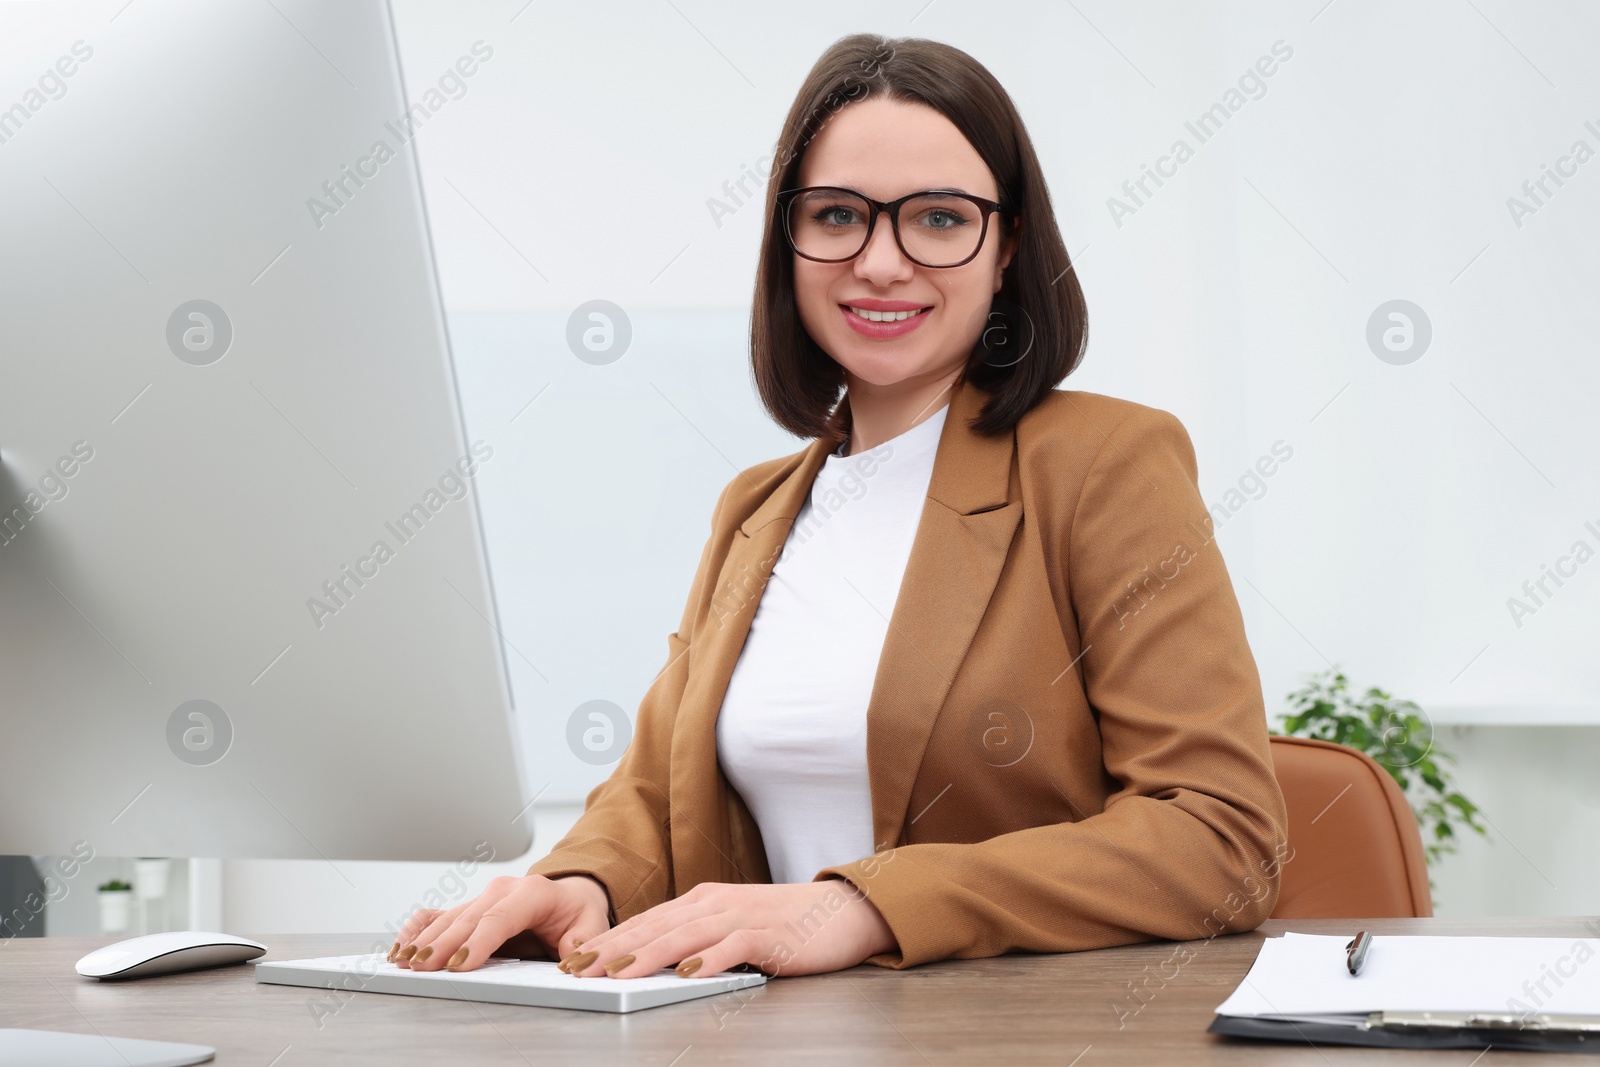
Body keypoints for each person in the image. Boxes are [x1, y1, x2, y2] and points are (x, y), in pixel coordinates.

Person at [391, 33, 1288, 981]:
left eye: (939, 219)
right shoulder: (758, 509)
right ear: (790, 239)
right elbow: (656, 794)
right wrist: (586, 884)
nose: (882, 261)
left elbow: (1221, 834)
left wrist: (867, 903)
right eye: (838, 215)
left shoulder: (1104, 464)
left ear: (1009, 241)